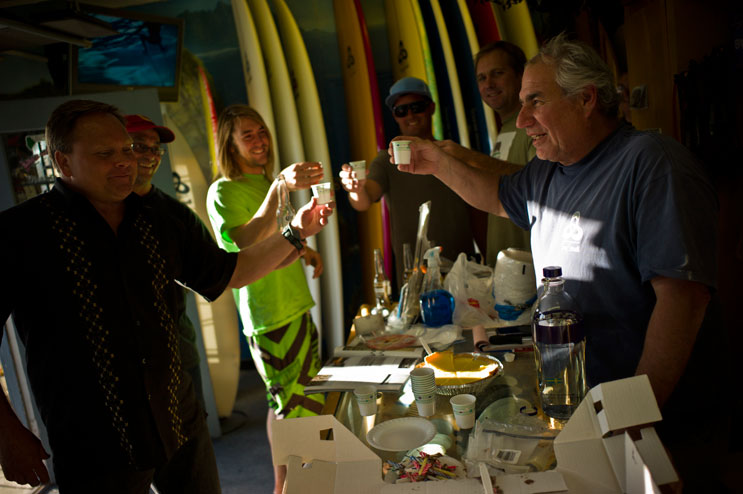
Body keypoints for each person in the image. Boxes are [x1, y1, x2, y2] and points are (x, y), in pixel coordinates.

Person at [391, 34, 720, 479]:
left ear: (585, 99)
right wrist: (437, 163)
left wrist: (630, 420)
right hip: (577, 404)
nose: (522, 119)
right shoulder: (551, 169)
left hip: (651, 420)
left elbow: (682, 301)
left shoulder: (652, 164)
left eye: (536, 102)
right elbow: (496, 196)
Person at [0, 100, 332, 493]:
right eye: (105, 154)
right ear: (63, 161)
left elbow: (232, 272)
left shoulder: (163, 218)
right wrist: (7, 436)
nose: (124, 161)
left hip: (177, 419)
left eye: (127, 149)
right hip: (94, 442)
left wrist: (295, 230)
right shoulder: (22, 234)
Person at [205, 105, 326, 494]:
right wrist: (281, 188)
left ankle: (283, 487)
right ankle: (301, 486)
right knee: (299, 412)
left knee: (289, 405)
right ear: (230, 143)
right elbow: (242, 244)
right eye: (248, 135)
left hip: (297, 306)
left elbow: (276, 242)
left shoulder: (263, 182)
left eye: (261, 131)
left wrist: (304, 250)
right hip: (269, 318)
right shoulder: (223, 190)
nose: (259, 140)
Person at [339, 76, 476, 289]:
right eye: (401, 111)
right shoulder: (387, 160)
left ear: (431, 108)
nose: (410, 115)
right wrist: (354, 189)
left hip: (463, 270)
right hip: (415, 279)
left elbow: (477, 209)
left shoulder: (453, 152)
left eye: (416, 107)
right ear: (394, 116)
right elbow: (364, 200)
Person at [124, 113, 206, 409]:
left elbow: (220, 272)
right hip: (127, 368)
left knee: (193, 439)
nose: (150, 154)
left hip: (179, 352)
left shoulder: (175, 215)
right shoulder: (93, 214)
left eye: (155, 147)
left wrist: (293, 236)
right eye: (139, 145)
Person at [438, 41, 535, 267]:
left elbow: (539, 181)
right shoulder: (506, 127)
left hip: (531, 277)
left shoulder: (534, 125)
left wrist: (468, 158)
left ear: (521, 75)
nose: (489, 84)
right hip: (506, 276)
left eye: (497, 74)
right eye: (482, 78)